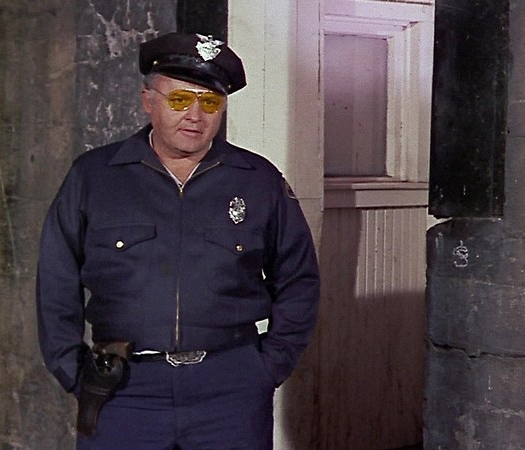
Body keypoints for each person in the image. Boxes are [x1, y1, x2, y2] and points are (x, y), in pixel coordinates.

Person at [36, 32, 320, 449]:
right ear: (148, 101)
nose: (195, 116)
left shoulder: (259, 180)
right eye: (179, 100)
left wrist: (268, 367)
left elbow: (299, 279)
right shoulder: (94, 177)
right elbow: (55, 281)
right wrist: (72, 371)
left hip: (230, 390)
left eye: (210, 103)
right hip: (124, 390)